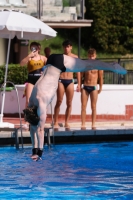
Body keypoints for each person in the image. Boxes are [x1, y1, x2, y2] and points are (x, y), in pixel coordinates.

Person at [23, 53, 126, 161]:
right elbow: (32, 129)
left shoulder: (41, 103)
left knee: (88, 65)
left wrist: (39, 153)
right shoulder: (32, 101)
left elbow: (40, 130)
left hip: (60, 64)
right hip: (51, 62)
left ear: (38, 114)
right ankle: (112, 66)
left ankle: (113, 66)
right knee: (86, 66)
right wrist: (33, 150)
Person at [54, 40, 80, 128]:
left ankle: (66, 122)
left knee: (69, 103)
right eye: (65, 46)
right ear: (63, 47)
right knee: (59, 101)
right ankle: (56, 121)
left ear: (71, 47)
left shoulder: (75, 57)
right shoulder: (60, 57)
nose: (66, 48)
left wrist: (79, 83)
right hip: (61, 80)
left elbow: (78, 71)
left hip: (70, 81)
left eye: (68, 46)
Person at [81, 48, 103, 129]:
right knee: (83, 106)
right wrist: (79, 85)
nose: (91, 58)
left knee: (93, 106)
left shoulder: (98, 66)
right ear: (88, 56)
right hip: (85, 86)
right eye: (90, 56)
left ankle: (93, 124)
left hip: (94, 87)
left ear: (95, 56)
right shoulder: (85, 65)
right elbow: (81, 75)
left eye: (92, 56)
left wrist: (100, 87)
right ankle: (83, 124)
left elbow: (100, 78)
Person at [20, 42, 47, 108]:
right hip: (31, 80)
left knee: (41, 100)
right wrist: (29, 56)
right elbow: (21, 64)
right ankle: (27, 116)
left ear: (38, 49)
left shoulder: (43, 58)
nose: (34, 49)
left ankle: (41, 116)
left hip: (40, 81)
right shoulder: (29, 58)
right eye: (32, 48)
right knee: (28, 100)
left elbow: (50, 68)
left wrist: (44, 72)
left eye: (35, 48)